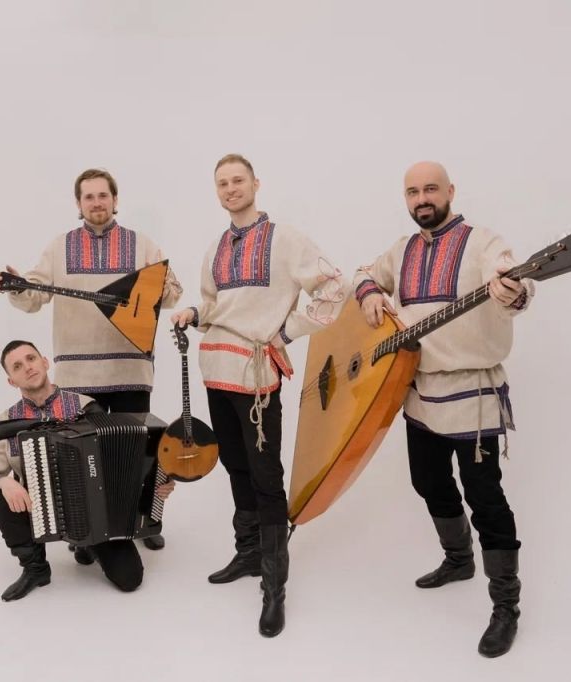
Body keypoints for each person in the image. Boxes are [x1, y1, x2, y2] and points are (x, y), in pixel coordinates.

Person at [353, 161, 534, 657]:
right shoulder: (402, 250)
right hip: (417, 392)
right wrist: (369, 294)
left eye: (430, 189)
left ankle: (506, 606)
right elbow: (364, 273)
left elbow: (515, 283)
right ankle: (459, 559)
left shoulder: (484, 243)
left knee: (486, 499)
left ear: (450, 190)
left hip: (472, 396)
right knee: (427, 481)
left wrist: (514, 290)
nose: (422, 199)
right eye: (413, 192)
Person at [171, 154, 346, 638]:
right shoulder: (215, 248)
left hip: (256, 377)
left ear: (255, 184)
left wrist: (285, 334)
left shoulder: (286, 240)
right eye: (222, 183)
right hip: (216, 371)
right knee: (236, 466)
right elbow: (214, 305)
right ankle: (248, 554)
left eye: (238, 181)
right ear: (217, 192)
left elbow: (336, 286)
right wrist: (193, 313)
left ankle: (274, 586)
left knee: (266, 476)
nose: (231, 189)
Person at [0, 168, 182, 551]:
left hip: (130, 369)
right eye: (89, 197)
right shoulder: (60, 247)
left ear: (115, 199)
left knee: (139, 454)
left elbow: (171, 293)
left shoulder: (142, 244)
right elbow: (34, 297)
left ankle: (144, 521)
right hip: (78, 376)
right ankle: (84, 535)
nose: (97, 202)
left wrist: (164, 288)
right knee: (80, 458)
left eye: (103, 195)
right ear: (79, 204)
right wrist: (17, 287)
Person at [0, 340, 174, 600]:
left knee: (130, 578)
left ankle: (87, 544)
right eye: (17, 366)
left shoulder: (85, 407)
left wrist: (156, 483)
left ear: (45, 362)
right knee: (2, 494)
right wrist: (2, 482)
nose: (27, 367)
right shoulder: (8, 423)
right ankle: (35, 569)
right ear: (11, 381)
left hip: (93, 514)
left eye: (31, 359)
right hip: (40, 511)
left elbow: (124, 461)